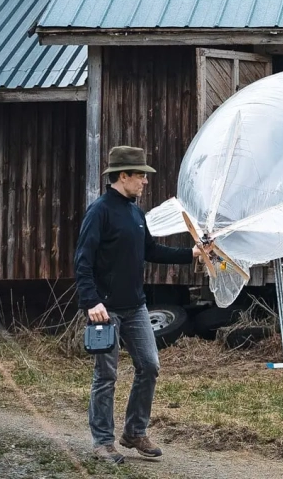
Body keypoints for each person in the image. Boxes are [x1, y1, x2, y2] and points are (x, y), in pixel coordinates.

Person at [74, 146, 201, 464]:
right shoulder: (99, 211)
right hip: (105, 310)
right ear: (123, 176)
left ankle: (134, 432)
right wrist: (91, 301)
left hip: (136, 307)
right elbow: (82, 261)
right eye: (140, 175)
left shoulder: (135, 213)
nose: (145, 181)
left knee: (150, 365)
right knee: (106, 376)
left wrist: (191, 254)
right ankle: (103, 442)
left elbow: (152, 250)